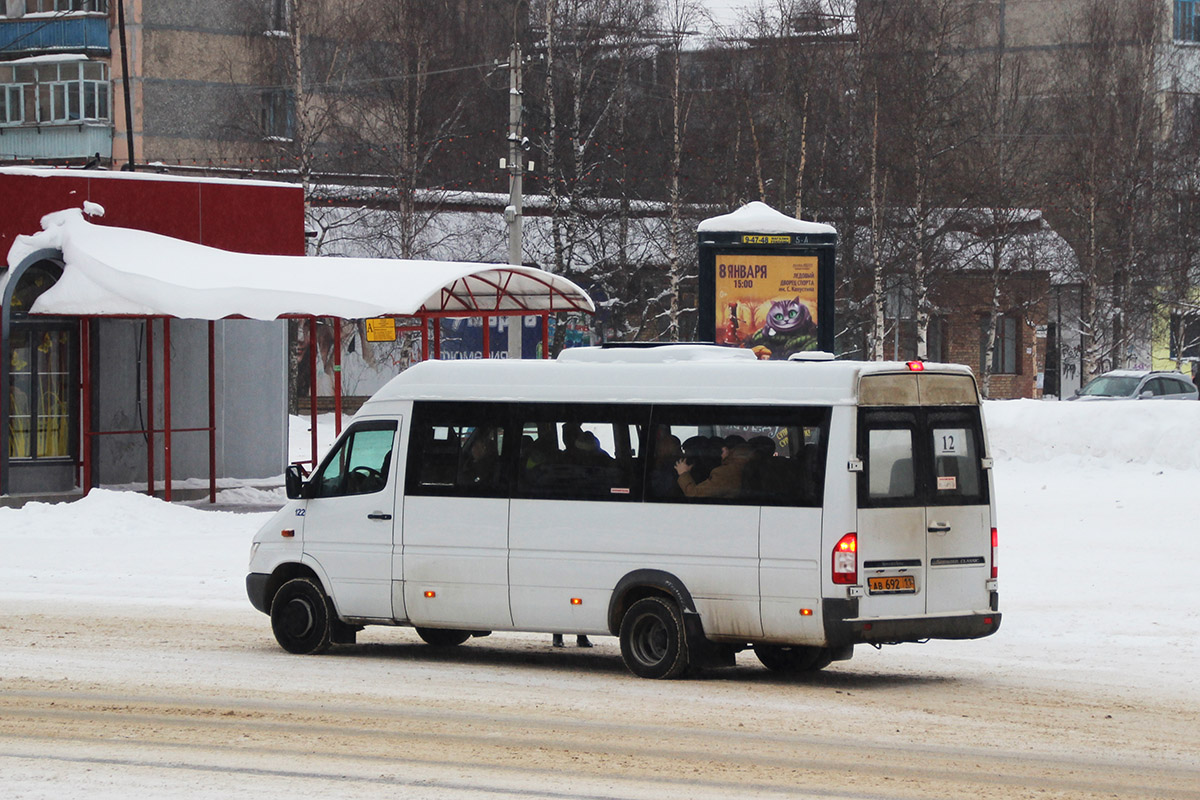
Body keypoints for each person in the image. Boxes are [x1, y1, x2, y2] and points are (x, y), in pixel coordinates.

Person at [674, 434, 753, 499]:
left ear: (724, 450)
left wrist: (683, 473)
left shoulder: (725, 473)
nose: (684, 456)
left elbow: (694, 495)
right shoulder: (744, 465)